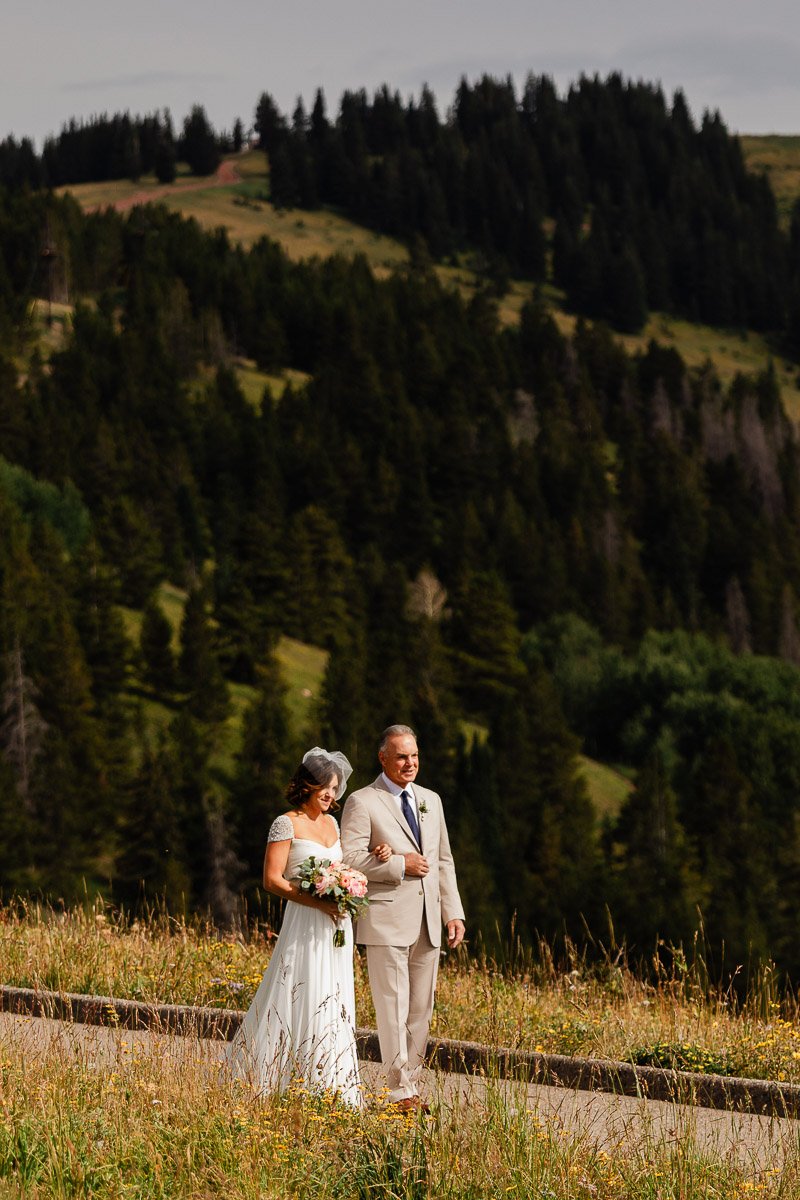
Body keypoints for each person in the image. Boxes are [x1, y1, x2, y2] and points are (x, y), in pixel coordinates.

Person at [228, 746, 389, 1106]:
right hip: (305, 918)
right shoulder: (286, 822)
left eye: (335, 788)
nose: (332, 795)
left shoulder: (333, 823)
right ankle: (278, 1076)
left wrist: (376, 856)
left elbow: (348, 863)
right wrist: (316, 900)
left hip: (337, 924)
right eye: (325, 788)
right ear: (307, 786)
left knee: (334, 995)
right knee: (300, 986)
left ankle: (330, 1083)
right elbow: (272, 880)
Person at [340, 724, 465, 1112]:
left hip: (429, 921)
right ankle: (399, 1092)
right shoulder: (363, 801)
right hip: (387, 919)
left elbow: (443, 860)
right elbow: (348, 859)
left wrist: (453, 912)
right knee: (392, 1007)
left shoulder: (431, 799)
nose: (409, 763)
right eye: (400, 757)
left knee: (420, 1009)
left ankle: (410, 1081)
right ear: (383, 758)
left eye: (413, 755)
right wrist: (399, 864)